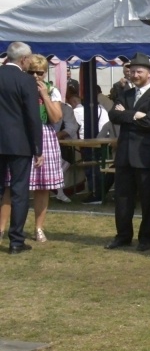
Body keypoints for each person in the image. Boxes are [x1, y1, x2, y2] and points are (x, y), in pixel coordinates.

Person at [105, 52, 150, 252]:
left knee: (147, 199)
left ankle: (146, 238)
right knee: (122, 198)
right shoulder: (125, 94)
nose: (134, 75)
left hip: (145, 156)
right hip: (124, 155)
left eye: (139, 71)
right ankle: (123, 236)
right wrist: (135, 115)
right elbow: (114, 115)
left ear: (149, 73)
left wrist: (127, 115)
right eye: (132, 71)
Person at [0, 54, 63, 243]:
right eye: (32, 72)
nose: (36, 76)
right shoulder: (18, 85)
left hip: (44, 135)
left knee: (43, 186)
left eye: (40, 73)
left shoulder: (52, 90)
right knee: (11, 185)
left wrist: (44, 95)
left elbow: (56, 118)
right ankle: (2, 227)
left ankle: (38, 228)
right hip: (21, 137)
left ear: (45, 73)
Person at [0, 43, 44, 253]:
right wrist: (38, 148)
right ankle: (16, 241)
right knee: (19, 191)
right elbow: (33, 118)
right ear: (24, 60)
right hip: (19, 143)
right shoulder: (26, 80)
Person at [67, 87, 110, 205]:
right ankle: (98, 192)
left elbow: (74, 127)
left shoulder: (77, 111)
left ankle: (94, 193)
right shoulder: (102, 109)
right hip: (103, 141)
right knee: (100, 167)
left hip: (87, 142)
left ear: (75, 102)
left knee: (91, 168)